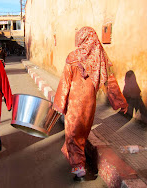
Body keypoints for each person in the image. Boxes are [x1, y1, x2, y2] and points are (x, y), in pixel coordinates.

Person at [53, 27, 128, 181]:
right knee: (81, 134)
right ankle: (79, 163)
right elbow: (110, 82)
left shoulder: (73, 57)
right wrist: (120, 102)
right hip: (90, 105)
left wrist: (59, 105)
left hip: (74, 104)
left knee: (73, 135)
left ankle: (78, 167)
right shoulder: (101, 58)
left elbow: (65, 83)